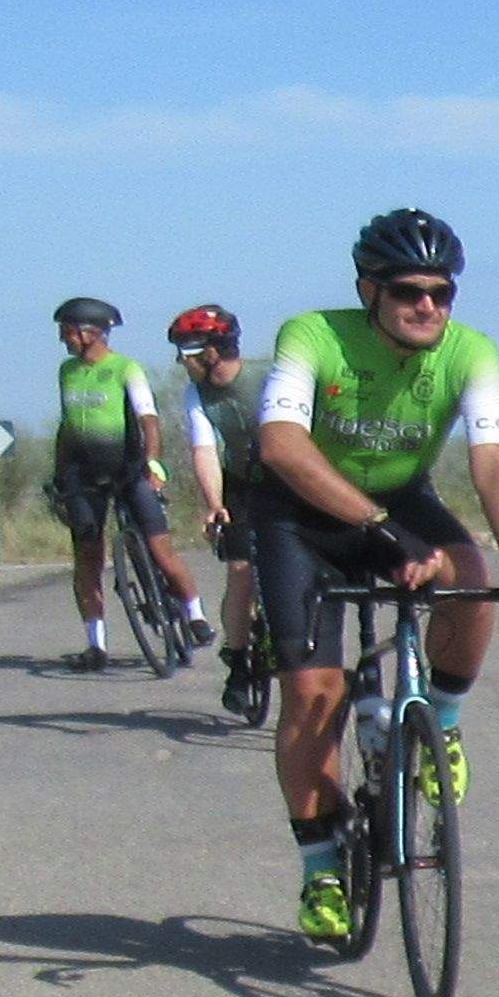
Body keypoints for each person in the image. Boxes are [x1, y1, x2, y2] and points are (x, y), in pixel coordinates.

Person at [249, 211, 499, 943]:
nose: (428, 307)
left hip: (398, 499)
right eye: (409, 292)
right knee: (312, 694)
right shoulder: (313, 336)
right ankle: (321, 868)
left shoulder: (470, 352)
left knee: (468, 575)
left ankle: (440, 722)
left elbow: (491, 459)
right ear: (369, 291)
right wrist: (380, 534)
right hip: (301, 516)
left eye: (442, 293)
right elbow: (282, 446)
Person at [48, 298, 207, 671]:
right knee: (87, 556)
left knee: (160, 547)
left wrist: (153, 461)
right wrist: (59, 476)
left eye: (68, 331)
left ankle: (196, 614)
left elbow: (148, 418)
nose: (63, 339)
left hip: (127, 468)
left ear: (92, 332)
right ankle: (95, 644)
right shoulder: (66, 371)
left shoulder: (125, 368)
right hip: (82, 472)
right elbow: (66, 426)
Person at [167, 304, 266, 718]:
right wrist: (215, 505)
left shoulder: (269, 377)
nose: (180, 361)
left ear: (212, 351)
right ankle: (239, 662)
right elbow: (204, 449)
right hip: (241, 481)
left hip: (292, 476)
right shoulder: (198, 394)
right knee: (240, 568)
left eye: (186, 351)